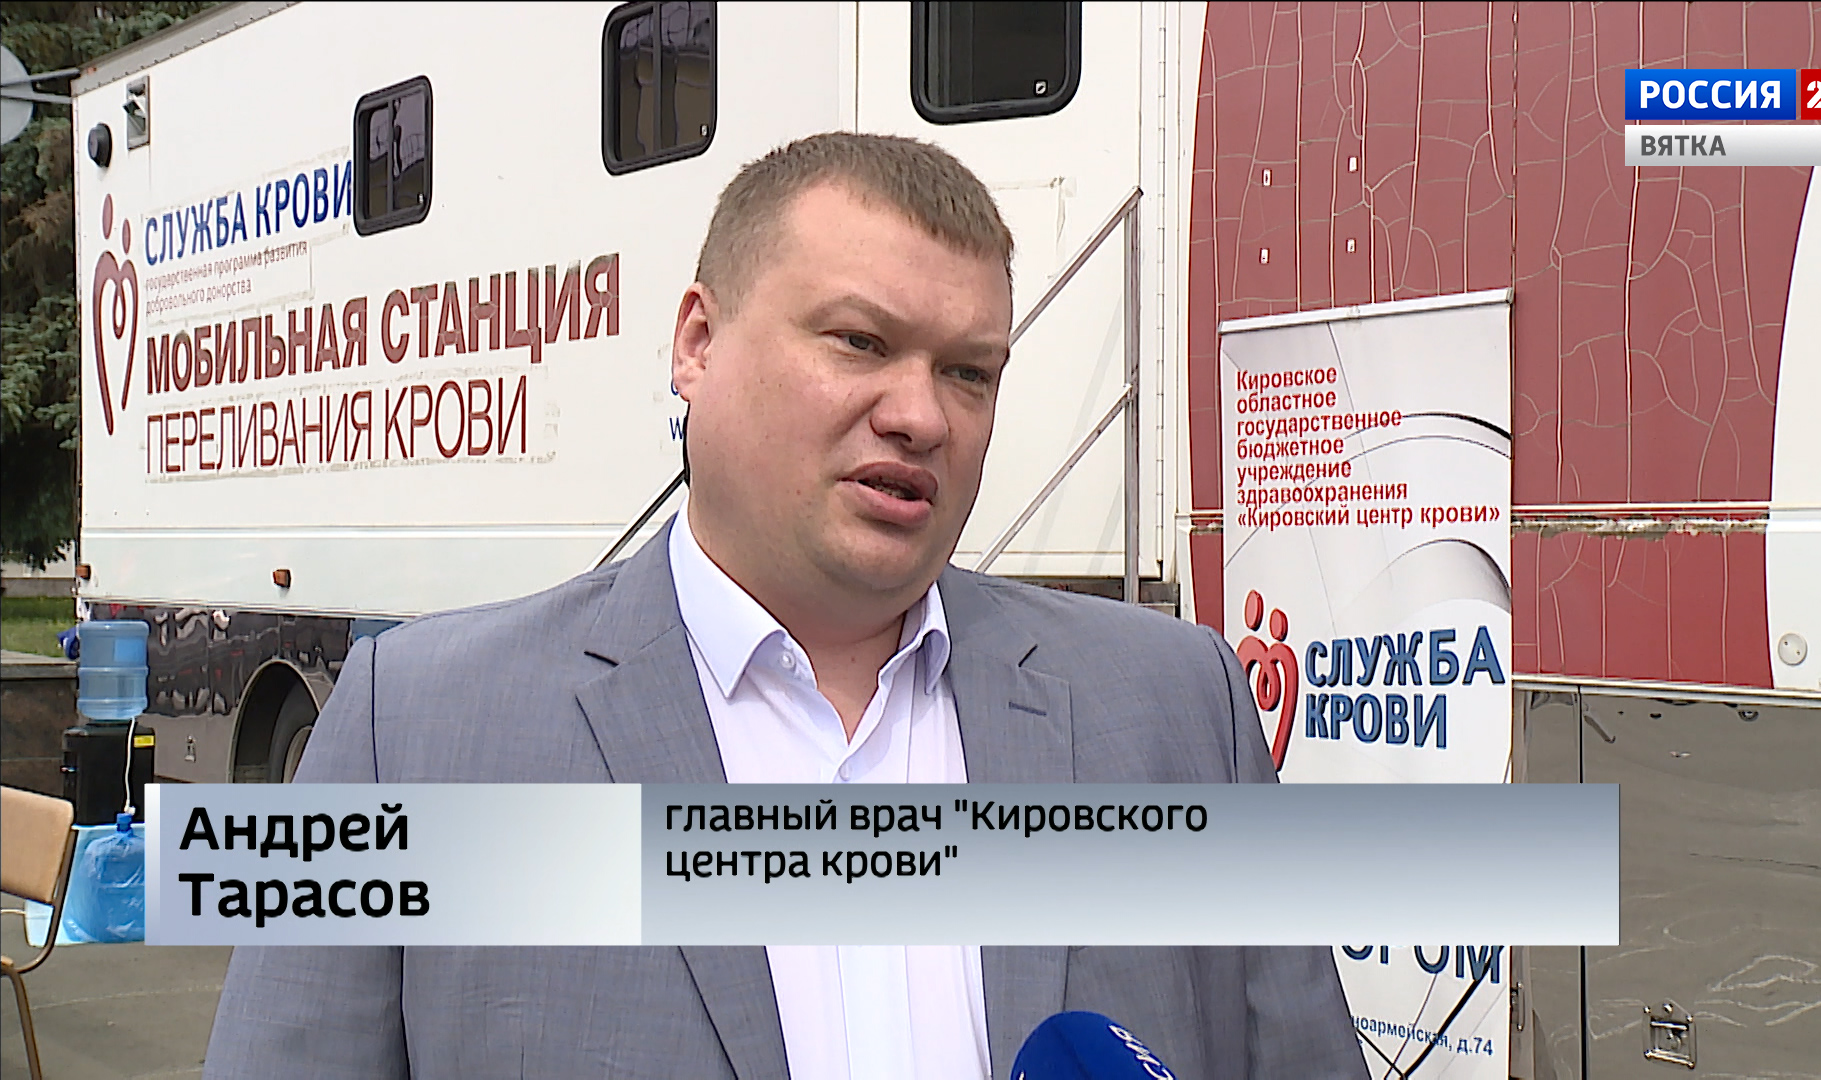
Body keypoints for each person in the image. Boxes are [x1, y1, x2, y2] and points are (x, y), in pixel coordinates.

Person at [203, 132, 1366, 1080]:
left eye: (969, 371)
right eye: (861, 342)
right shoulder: (417, 730)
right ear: (698, 343)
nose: (921, 415)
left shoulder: (1177, 708)